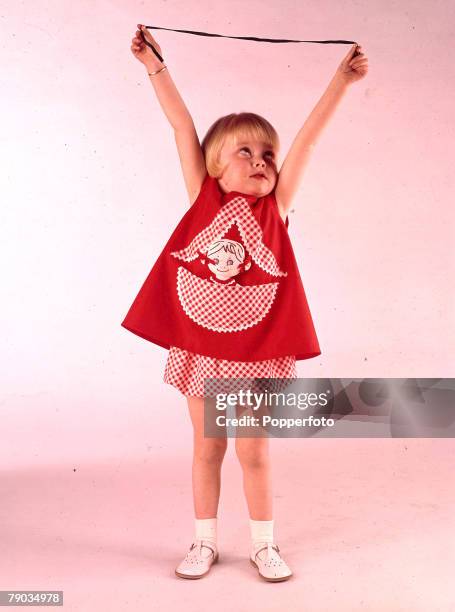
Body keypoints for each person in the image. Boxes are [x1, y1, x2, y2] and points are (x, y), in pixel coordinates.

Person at [125, 24, 369, 582]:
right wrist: (154, 65)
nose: (261, 161)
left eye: (267, 153)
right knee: (207, 450)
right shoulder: (202, 197)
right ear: (214, 164)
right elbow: (182, 125)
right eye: (245, 152)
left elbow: (306, 140)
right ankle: (204, 541)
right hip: (203, 352)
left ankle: (264, 544)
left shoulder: (275, 209)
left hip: (256, 354)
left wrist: (341, 80)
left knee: (253, 453)